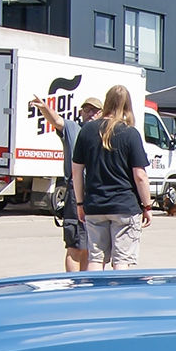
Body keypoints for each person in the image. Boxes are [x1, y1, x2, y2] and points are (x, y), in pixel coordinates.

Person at [71, 85, 151, 270]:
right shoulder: (130, 133)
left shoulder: (87, 131)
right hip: (124, 205)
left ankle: (93, 296)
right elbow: (140, 176)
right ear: (127, 106)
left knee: (95, 258)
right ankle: (118, 297)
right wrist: (147, 206)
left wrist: (80, 203)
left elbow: (76, 171)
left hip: (95, 204)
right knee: (122, 260)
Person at [32, 94, 101, 271]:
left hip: (97, 193)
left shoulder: (104, 133)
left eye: (95, 110)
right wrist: (44, 107)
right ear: (81, 113)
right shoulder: (73, 128)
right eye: (87, 110)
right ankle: (74, 285)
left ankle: (86, 284)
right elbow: (56, 120)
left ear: (102, 113)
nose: (90, 114)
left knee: (90, 248)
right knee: (75, 246)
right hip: (75, 193)